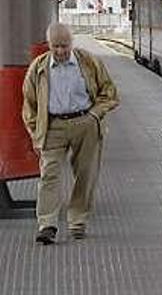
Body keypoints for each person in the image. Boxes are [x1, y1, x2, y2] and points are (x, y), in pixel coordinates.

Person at [21, 23, 119, 244]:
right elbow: (29, 104)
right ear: (49, 45)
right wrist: (36, 131)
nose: (60, 51)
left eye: (64, 46)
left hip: (85, 123)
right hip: (53, 125)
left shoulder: (89, 62)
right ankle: (47, 224)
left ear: (72, 43)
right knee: (49, 174)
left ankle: (77, 221)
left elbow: (110, 92)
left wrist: (94, 115)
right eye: (55, 46)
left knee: (85, 174)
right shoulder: (38, 68)